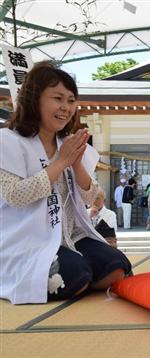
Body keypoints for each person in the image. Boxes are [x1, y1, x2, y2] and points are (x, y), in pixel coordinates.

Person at [0, 62, 131, 304]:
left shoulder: (67, 142)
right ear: (34, 99)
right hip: (29, 240)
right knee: (74, 275)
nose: (66, 108)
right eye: (58, 98)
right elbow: (16, 195)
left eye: (71, 100)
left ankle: (81, 273)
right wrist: (61, 162)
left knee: (117, 267)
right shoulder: (7, 141)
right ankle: (79, 275)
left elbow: (91, 198)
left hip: (71, 235)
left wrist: (76, 162)